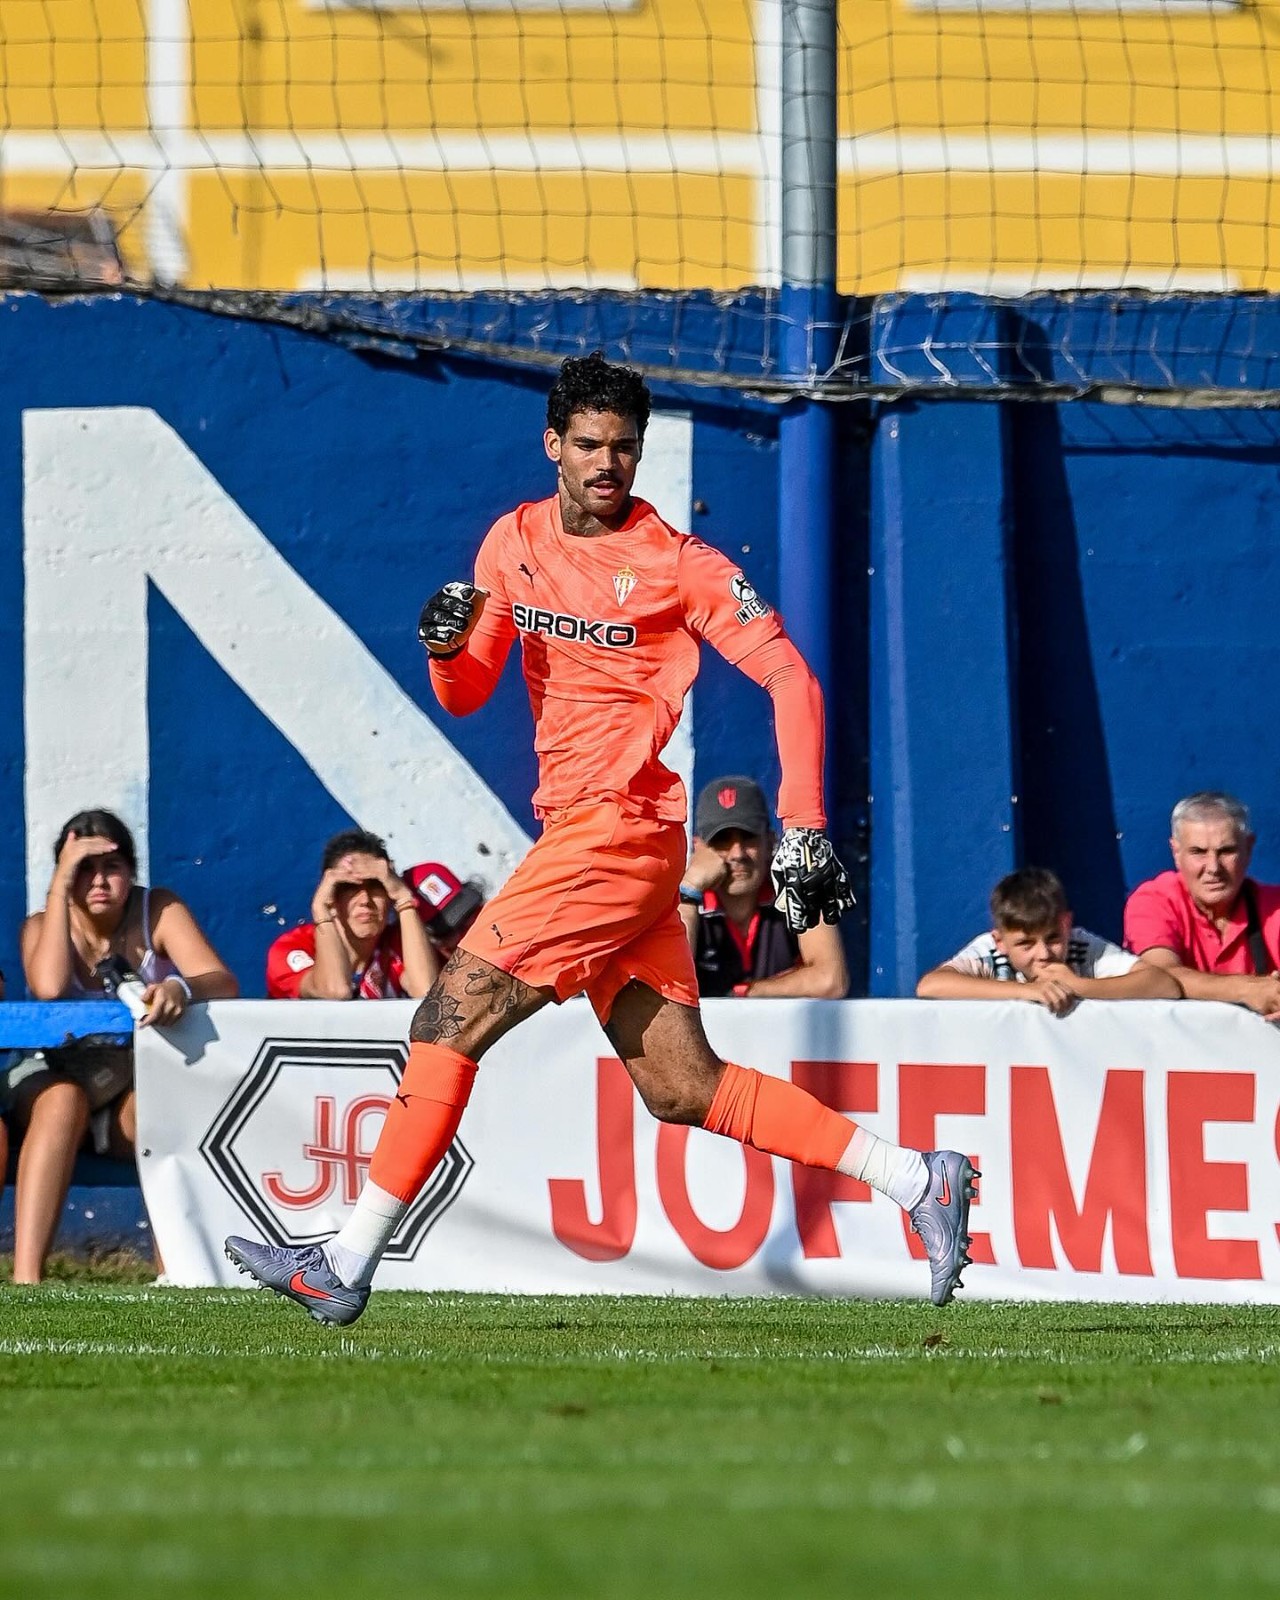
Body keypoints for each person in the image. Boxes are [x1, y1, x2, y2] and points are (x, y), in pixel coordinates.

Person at [226, 350, 978, 1323]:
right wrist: (445, 647)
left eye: (623, 447)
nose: (606, 463)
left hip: (613, 836)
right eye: (587, 444)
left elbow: (795, 681)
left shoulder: (679, 564)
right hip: (596, 839)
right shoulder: (511, 543)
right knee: (680, 1085)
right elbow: (465, 692)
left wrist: (804, 834)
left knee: (443, 1019)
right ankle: (919, 1178)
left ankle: (344, 1258)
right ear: (552, 445)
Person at [15, 808, 238, 1283]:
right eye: (83, 869)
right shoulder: (41, 925)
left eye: (110, 867)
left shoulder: (157, 908)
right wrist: (59, 886)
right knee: (63, 1101)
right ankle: (27, 1280)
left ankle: (175, 1275)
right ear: (64, 876)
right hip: (53, 1081)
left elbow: (221, 979)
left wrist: (182, 988)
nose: (98, 881)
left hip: (127, 1087)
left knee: (165, 1108)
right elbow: (49, 988)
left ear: (131, 872)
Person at [917, 866, 1180, 1013]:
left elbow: (1163, 985)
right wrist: (1028, 992)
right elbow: (931, 985)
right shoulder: (990, 951)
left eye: (1053, 938)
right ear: (1000, 942)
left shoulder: (1082, 946)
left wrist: (1078, 986)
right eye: (1025, 944)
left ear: (1067, 925)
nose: (1043, 954)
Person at [680, 775, 849, 998]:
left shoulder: (797, 891)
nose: (737, 854)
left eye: (748, 838)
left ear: (770, 842)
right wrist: (689, 890)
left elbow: (831, 980)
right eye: (722, 840)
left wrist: (747, 993)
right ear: (699, 848)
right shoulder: (683, 901)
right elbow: (670, 984)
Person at [1124, 791, 1280, 1020]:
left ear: (1248, 848)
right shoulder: (1154, 900)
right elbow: (1159, 977)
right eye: (1198, 852)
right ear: (1176, 852)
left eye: (1226, 851)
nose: (1213, 868)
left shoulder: (1274, 905)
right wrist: (1249, 989)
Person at [266, 830, 440, 1000]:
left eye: (376, 885)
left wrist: (404, 898)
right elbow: (335, 990)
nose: (365, 900)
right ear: (331, 895)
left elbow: (426, 993)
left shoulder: (398, 945)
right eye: (348, 887)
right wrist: (321, 908)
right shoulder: (291, 947)